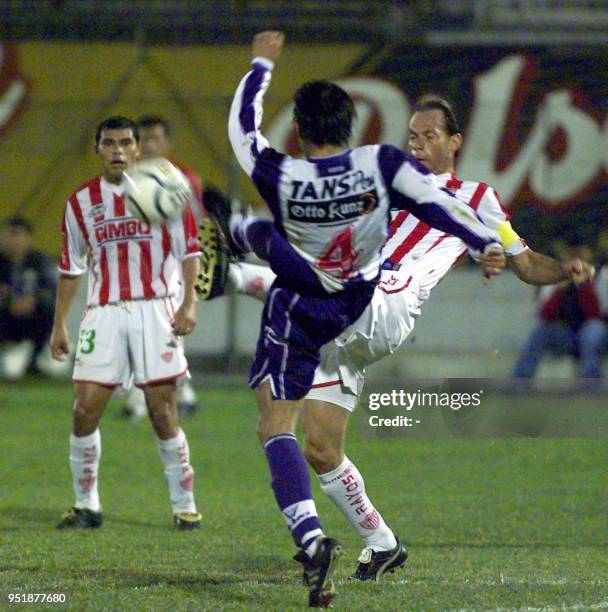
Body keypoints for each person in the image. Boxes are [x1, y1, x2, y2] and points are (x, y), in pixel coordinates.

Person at [202, 94, 595, 585]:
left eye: (430, 135)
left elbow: (526, 263)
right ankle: (382, 542)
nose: (419, 144)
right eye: (412, 135)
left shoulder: (478, 199)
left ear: (454, 141)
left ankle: (237, 272)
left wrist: (563, 270)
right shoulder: (385, 183)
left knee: (311, 296)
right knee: (321, 448)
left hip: (385, 303)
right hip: (348, 322)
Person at [211, 32, 504, 607]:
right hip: (362, 307)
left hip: (309, 314)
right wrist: (483, 241)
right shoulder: (380, 163)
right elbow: (436, 202)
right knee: (321, 445)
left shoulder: (283, 175)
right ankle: (381, 540)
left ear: (298, 132)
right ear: (353, 127)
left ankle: (235, 255)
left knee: (275, 424)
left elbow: (240, 130)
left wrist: (261, 63)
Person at [50, 116, 203, 531]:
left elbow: (190, 253)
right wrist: (59, 324)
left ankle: (184, 505)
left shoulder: (166, 192)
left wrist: (189, 302)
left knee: (162, 412)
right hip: (103, 312)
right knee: (84, 410)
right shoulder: (80, 202)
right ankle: (86, 505)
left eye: (125, 143)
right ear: (98, 150)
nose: (117, 150)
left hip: (155, 310)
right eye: (109, 143)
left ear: (137, 149)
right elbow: (71, 268)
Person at [512, 240, 606, 386]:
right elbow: (545, 315)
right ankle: (520, 381)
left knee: (593, 329)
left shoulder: (601, 276)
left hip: (598, 336)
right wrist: (562, 288)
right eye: (572, 255)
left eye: (580, 254)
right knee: (541, 331)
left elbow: (597, 314)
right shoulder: (554, 278)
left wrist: (583, 285)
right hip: (567, 336)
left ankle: (590, 383)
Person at [0, 216, 57, 379]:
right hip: (4, 315)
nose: (14, 240)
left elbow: (51, 289)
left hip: (31, 316)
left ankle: (33, 362)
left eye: (18, 235)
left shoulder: (40, 262)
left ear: (28, 238)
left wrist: (34, 300)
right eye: (9, 235)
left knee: (50, 311)